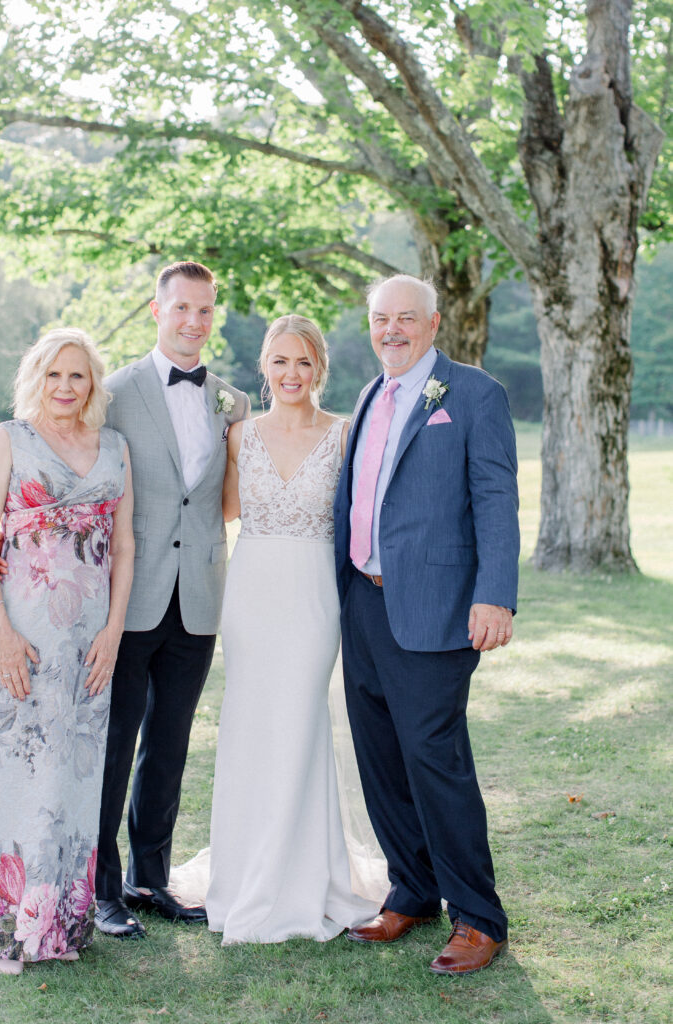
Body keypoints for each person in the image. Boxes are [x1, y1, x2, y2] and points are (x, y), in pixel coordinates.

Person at [333, 274, 519, 975]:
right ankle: (410, 890)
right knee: (380, 758)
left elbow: (495, 498)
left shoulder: (471, 394)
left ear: (433, 323)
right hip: (364, 601)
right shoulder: (369, 393)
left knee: (434, 760)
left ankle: (478, 916)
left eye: (406, 318)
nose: (392, 331)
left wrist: (493, 594)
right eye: (381, 319)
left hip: (438, 608)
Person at [191, 314, 385, 944]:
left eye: (303, 362)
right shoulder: (238, 435)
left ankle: (306, 876)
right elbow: (219, 511)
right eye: (279, 361)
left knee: (300, 723)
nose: (291, 374)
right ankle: (248, 875)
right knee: (251, 726)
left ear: (319, 368)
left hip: (311, 597)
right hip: (250, 596)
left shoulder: (346, 433)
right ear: (263, 367)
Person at [0, 328, 134, 975]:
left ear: (93, 385)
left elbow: (123, 550)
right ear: (36, 376)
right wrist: (0, 629)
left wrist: (114, 631)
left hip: (90, 644)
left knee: (73, 776)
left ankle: (60, 925)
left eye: (78, 377)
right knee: (15, 774)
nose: (65, 388)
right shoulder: (9, 440)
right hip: (24, 638)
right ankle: (4, 932)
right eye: (55, 375)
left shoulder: (114, 448)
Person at [94, 261, 250, 939]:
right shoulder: (113, 392)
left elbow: (225, 497)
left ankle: (149, 878)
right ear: (157, 311)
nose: (193, 321)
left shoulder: (233, 402)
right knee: (113, 742)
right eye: (181, 308)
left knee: (169, 743)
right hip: (127, 598)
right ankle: (101, 889)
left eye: (205, 310)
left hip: (199, 601)